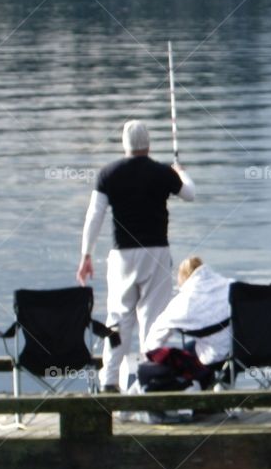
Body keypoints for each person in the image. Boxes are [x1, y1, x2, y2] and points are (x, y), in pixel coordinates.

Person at [77, 120, 195, 392]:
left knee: (118, 320)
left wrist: (86, 255)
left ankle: (109, 380)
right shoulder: (162, 173)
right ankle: (149, 378)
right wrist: (181, 173)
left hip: (121, 257)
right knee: (154, 320)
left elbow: (94, 216)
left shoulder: (108, 173)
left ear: (124, 144)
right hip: (156, 253)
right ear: (148, 143)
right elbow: (190, 195)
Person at [143, 256, 232, 369]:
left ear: (182, 278)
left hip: (216, 356)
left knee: (186, 353)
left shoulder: (184, 301)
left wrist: (148, 358)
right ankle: (222, 382)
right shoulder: (231, 286)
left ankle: (208, 383)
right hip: (247, 350)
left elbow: (157, 332)